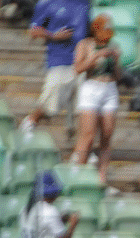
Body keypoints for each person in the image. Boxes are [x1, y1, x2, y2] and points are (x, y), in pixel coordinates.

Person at [20, 0, 89, 136]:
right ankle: (29, 123)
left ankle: (80, 144)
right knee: (50, 100)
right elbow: (33, 31)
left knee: (84, 108)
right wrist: (53, 35)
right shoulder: (47, 3)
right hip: (60, 59)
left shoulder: (85, 3)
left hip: (83, 61)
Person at [70, 14, 120, 188]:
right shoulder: (85, 45)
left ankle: (102, 176)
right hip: (91, 87)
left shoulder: (113, 46)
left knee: (107, 134)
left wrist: (116, 61)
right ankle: (77, 173)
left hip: (110, 88)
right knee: (88, 134)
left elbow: (118, 75)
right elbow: (78, 68)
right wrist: (96, 56)